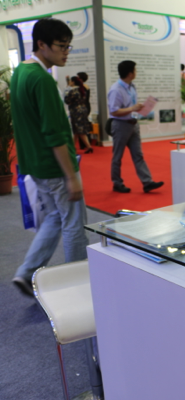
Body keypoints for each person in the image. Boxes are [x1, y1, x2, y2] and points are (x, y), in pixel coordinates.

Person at [11, 18, 88, 296]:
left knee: (55, 216)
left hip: (35, 165)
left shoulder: (21, 71)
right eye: (61, 46)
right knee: (74, 223)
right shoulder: (42, 79)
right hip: (55, 166)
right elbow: (54, 134)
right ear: (42, 44)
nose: (66, 52)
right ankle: (79, 281)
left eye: (68, 46)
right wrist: (71, 176)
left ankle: (27, 273)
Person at [107, 60, 163, 193]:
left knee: (138, 155)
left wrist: (139, 108)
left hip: (133, 124)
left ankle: (147, 182)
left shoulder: (132, 87)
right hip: (121, 125)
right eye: (135, 70)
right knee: (117, 156)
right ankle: (117, 183)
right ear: (130, 73)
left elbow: (130, 107)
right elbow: (114, 111)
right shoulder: (116, 90)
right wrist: (132, 108)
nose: (136, 72)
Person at [64, 75, 93, 153]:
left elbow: (67, 101)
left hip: (76, 111)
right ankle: (73, 147)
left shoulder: (72, 91)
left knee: (79, 130)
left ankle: (89, 146)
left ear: (73, 82)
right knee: (77, 130)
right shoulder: (82, 90)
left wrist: (66, 91)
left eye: (70, 81)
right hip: (83, 110)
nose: (69, 82)